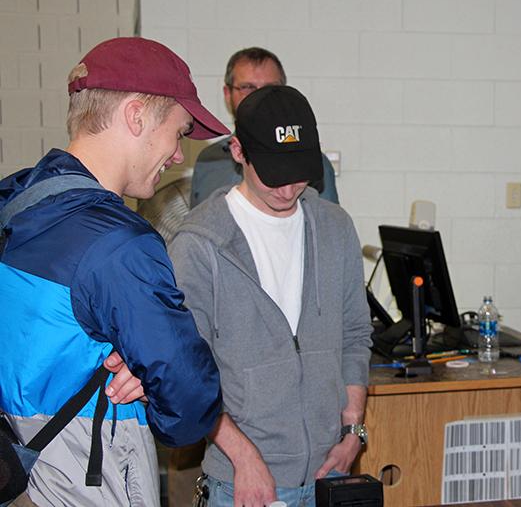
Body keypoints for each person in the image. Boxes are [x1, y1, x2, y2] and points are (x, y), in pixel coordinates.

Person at [0, 37, 227, 506]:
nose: (179, 156)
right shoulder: (118, 242)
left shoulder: (14, 204)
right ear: (137, 114)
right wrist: (153, 374)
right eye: (180, 132)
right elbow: (189, 406)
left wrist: (121, 354)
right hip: (81, 484)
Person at [169, 85, 372, 506]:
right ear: (239, 152)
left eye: (298, 173)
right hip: (242, 484)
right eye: (274, 175)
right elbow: (188, 375)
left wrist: (353, 430)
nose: (288, 190)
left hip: (326, 477)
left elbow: (354, 335)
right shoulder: (200, 245)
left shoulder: (335, 228)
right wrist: (244, 457)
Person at [189, 47, 339, 208]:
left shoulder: (311, 162)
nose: (258, 97)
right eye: (248, 87)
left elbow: (328, 227)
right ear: (228, 93)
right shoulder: (209, 159)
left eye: (269, 88)